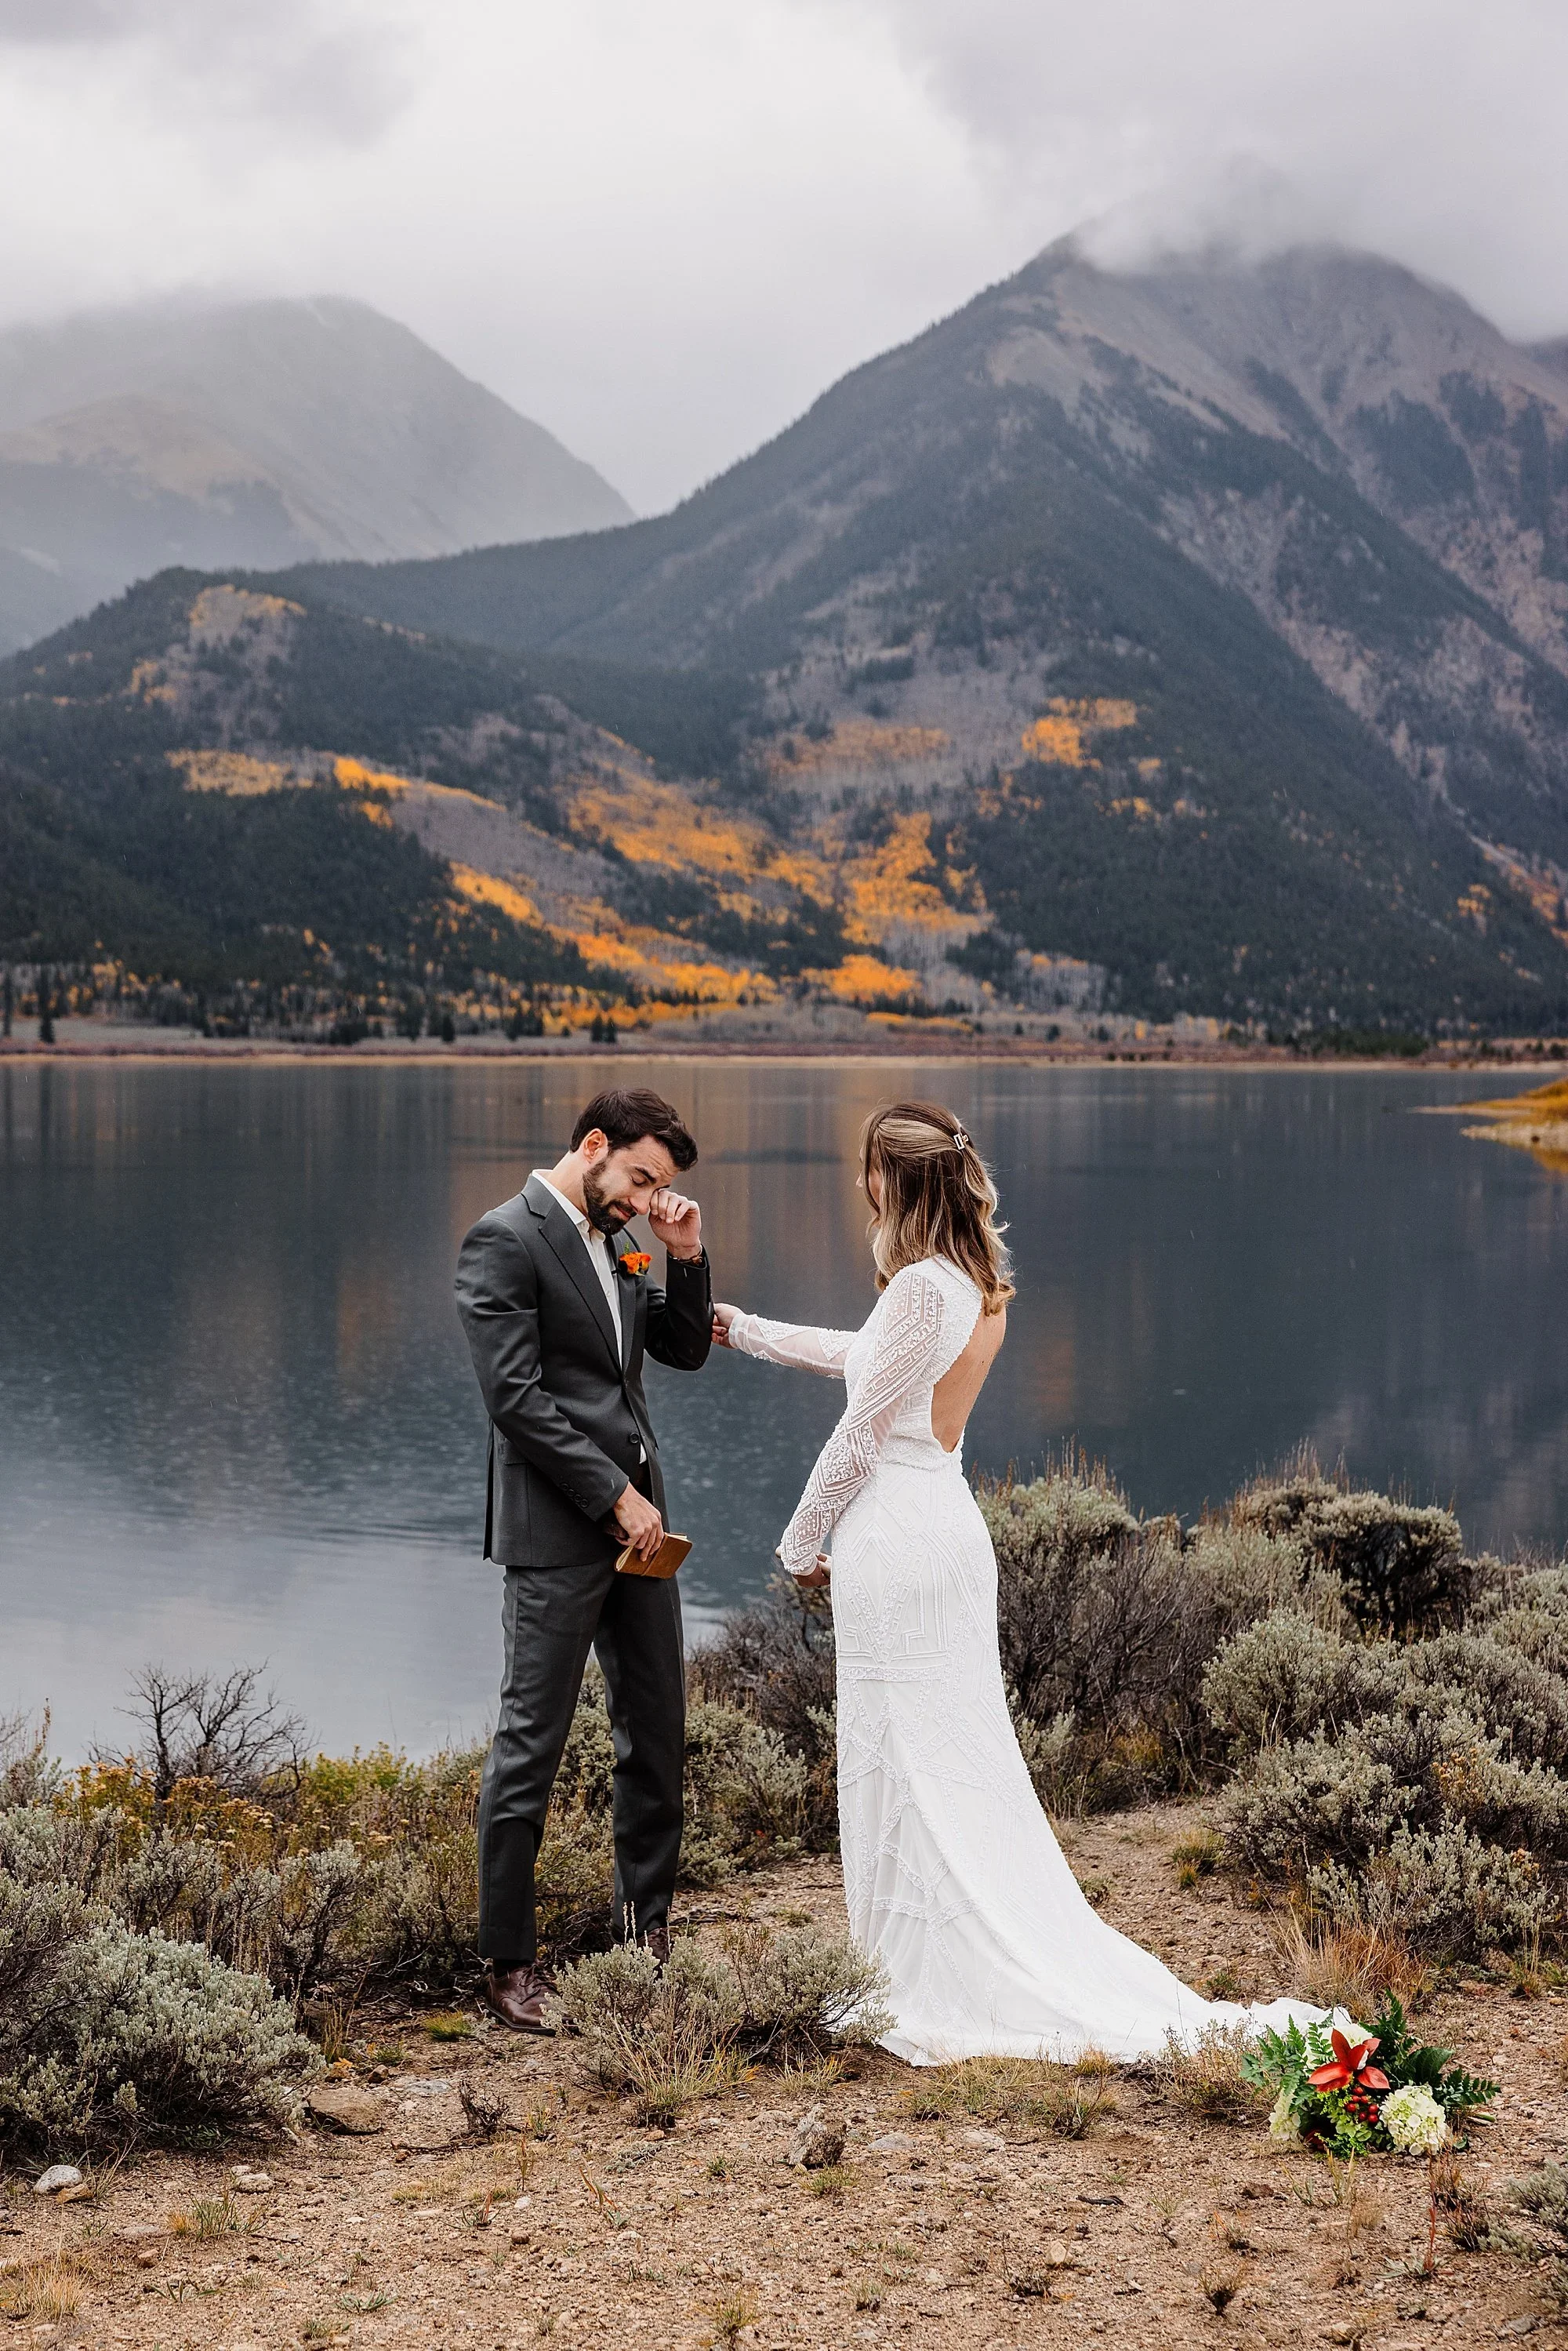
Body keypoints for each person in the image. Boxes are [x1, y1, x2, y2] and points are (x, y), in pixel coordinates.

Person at [714, 1099, 1321, 2065]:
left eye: (870, 1168)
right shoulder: (971, 1281)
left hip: (900, 1535)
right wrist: (745, 1329)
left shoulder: (920, 1286)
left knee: (904, 1754)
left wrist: (797, 1542)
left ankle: (922, 1969)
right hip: (942, 1530)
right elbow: (867, 1365)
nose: (860, 1184)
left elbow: (862, 1427)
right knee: (949, 1755)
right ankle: (922, 1949)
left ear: (898, 1181)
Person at [456, 1086, 712, 2032]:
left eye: (659, 1186)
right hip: (560, 1534)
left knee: (656, 1733)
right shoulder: (504, 1239)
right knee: (533, 1742)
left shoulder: (625, 1237)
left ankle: (640, 1936)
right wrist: (611, 1494)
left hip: (642, 1536)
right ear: (593, 1144)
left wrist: (684, 1259)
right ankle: (508, 1965)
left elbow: (679, 1351)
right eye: (640, 1177)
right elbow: (515, 1401)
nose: (644, 1197)